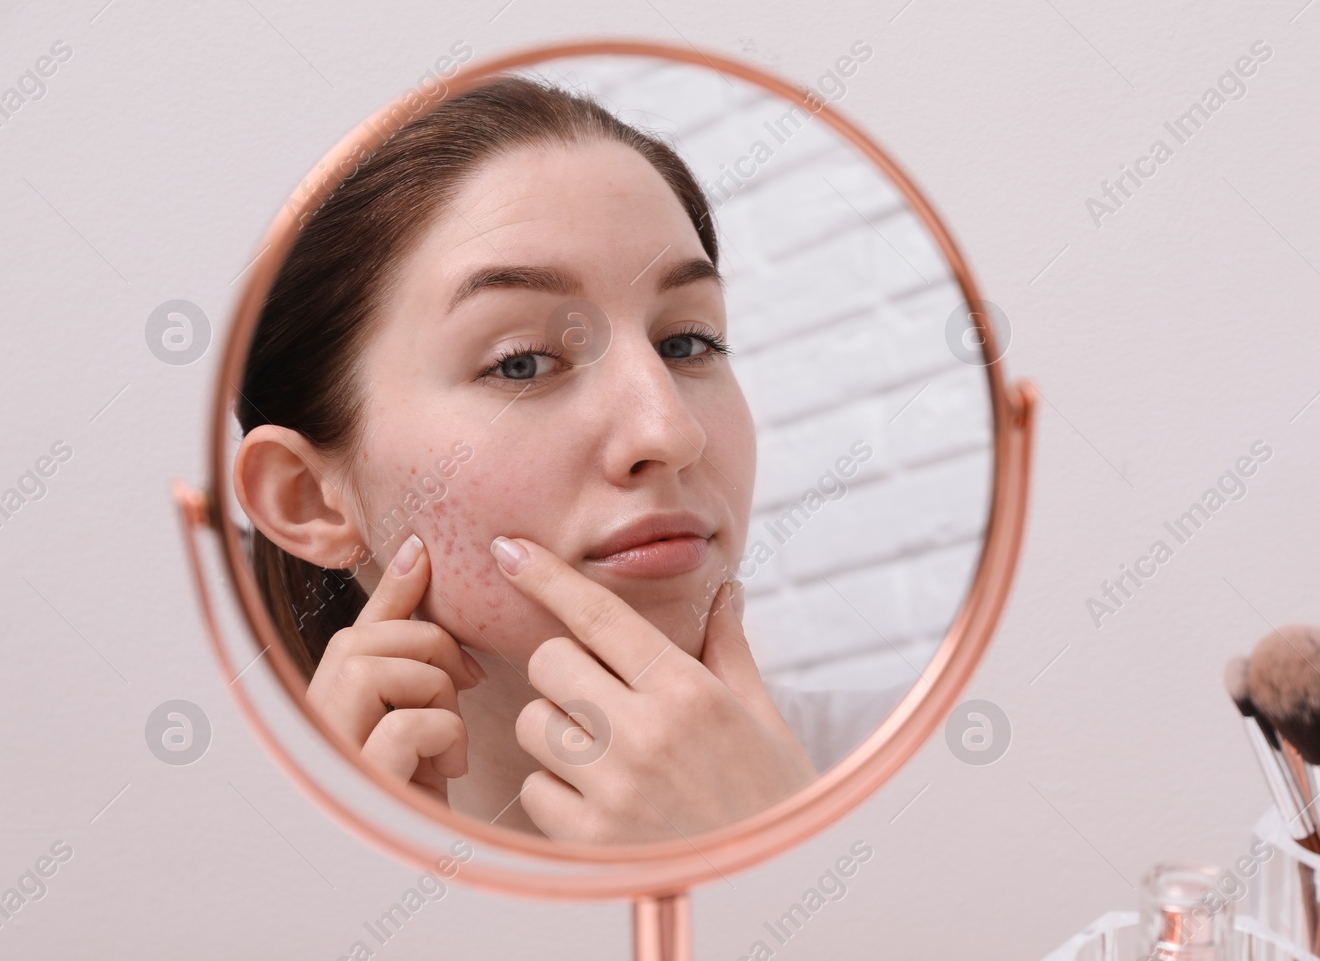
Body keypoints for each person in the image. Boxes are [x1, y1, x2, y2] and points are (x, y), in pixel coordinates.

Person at [231, 75, 879, 845]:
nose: (667, 432)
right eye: (523, 363)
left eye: (686, 343)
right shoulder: (230, 902)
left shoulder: (919, 772)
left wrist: (770, 850)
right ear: (308, 499)